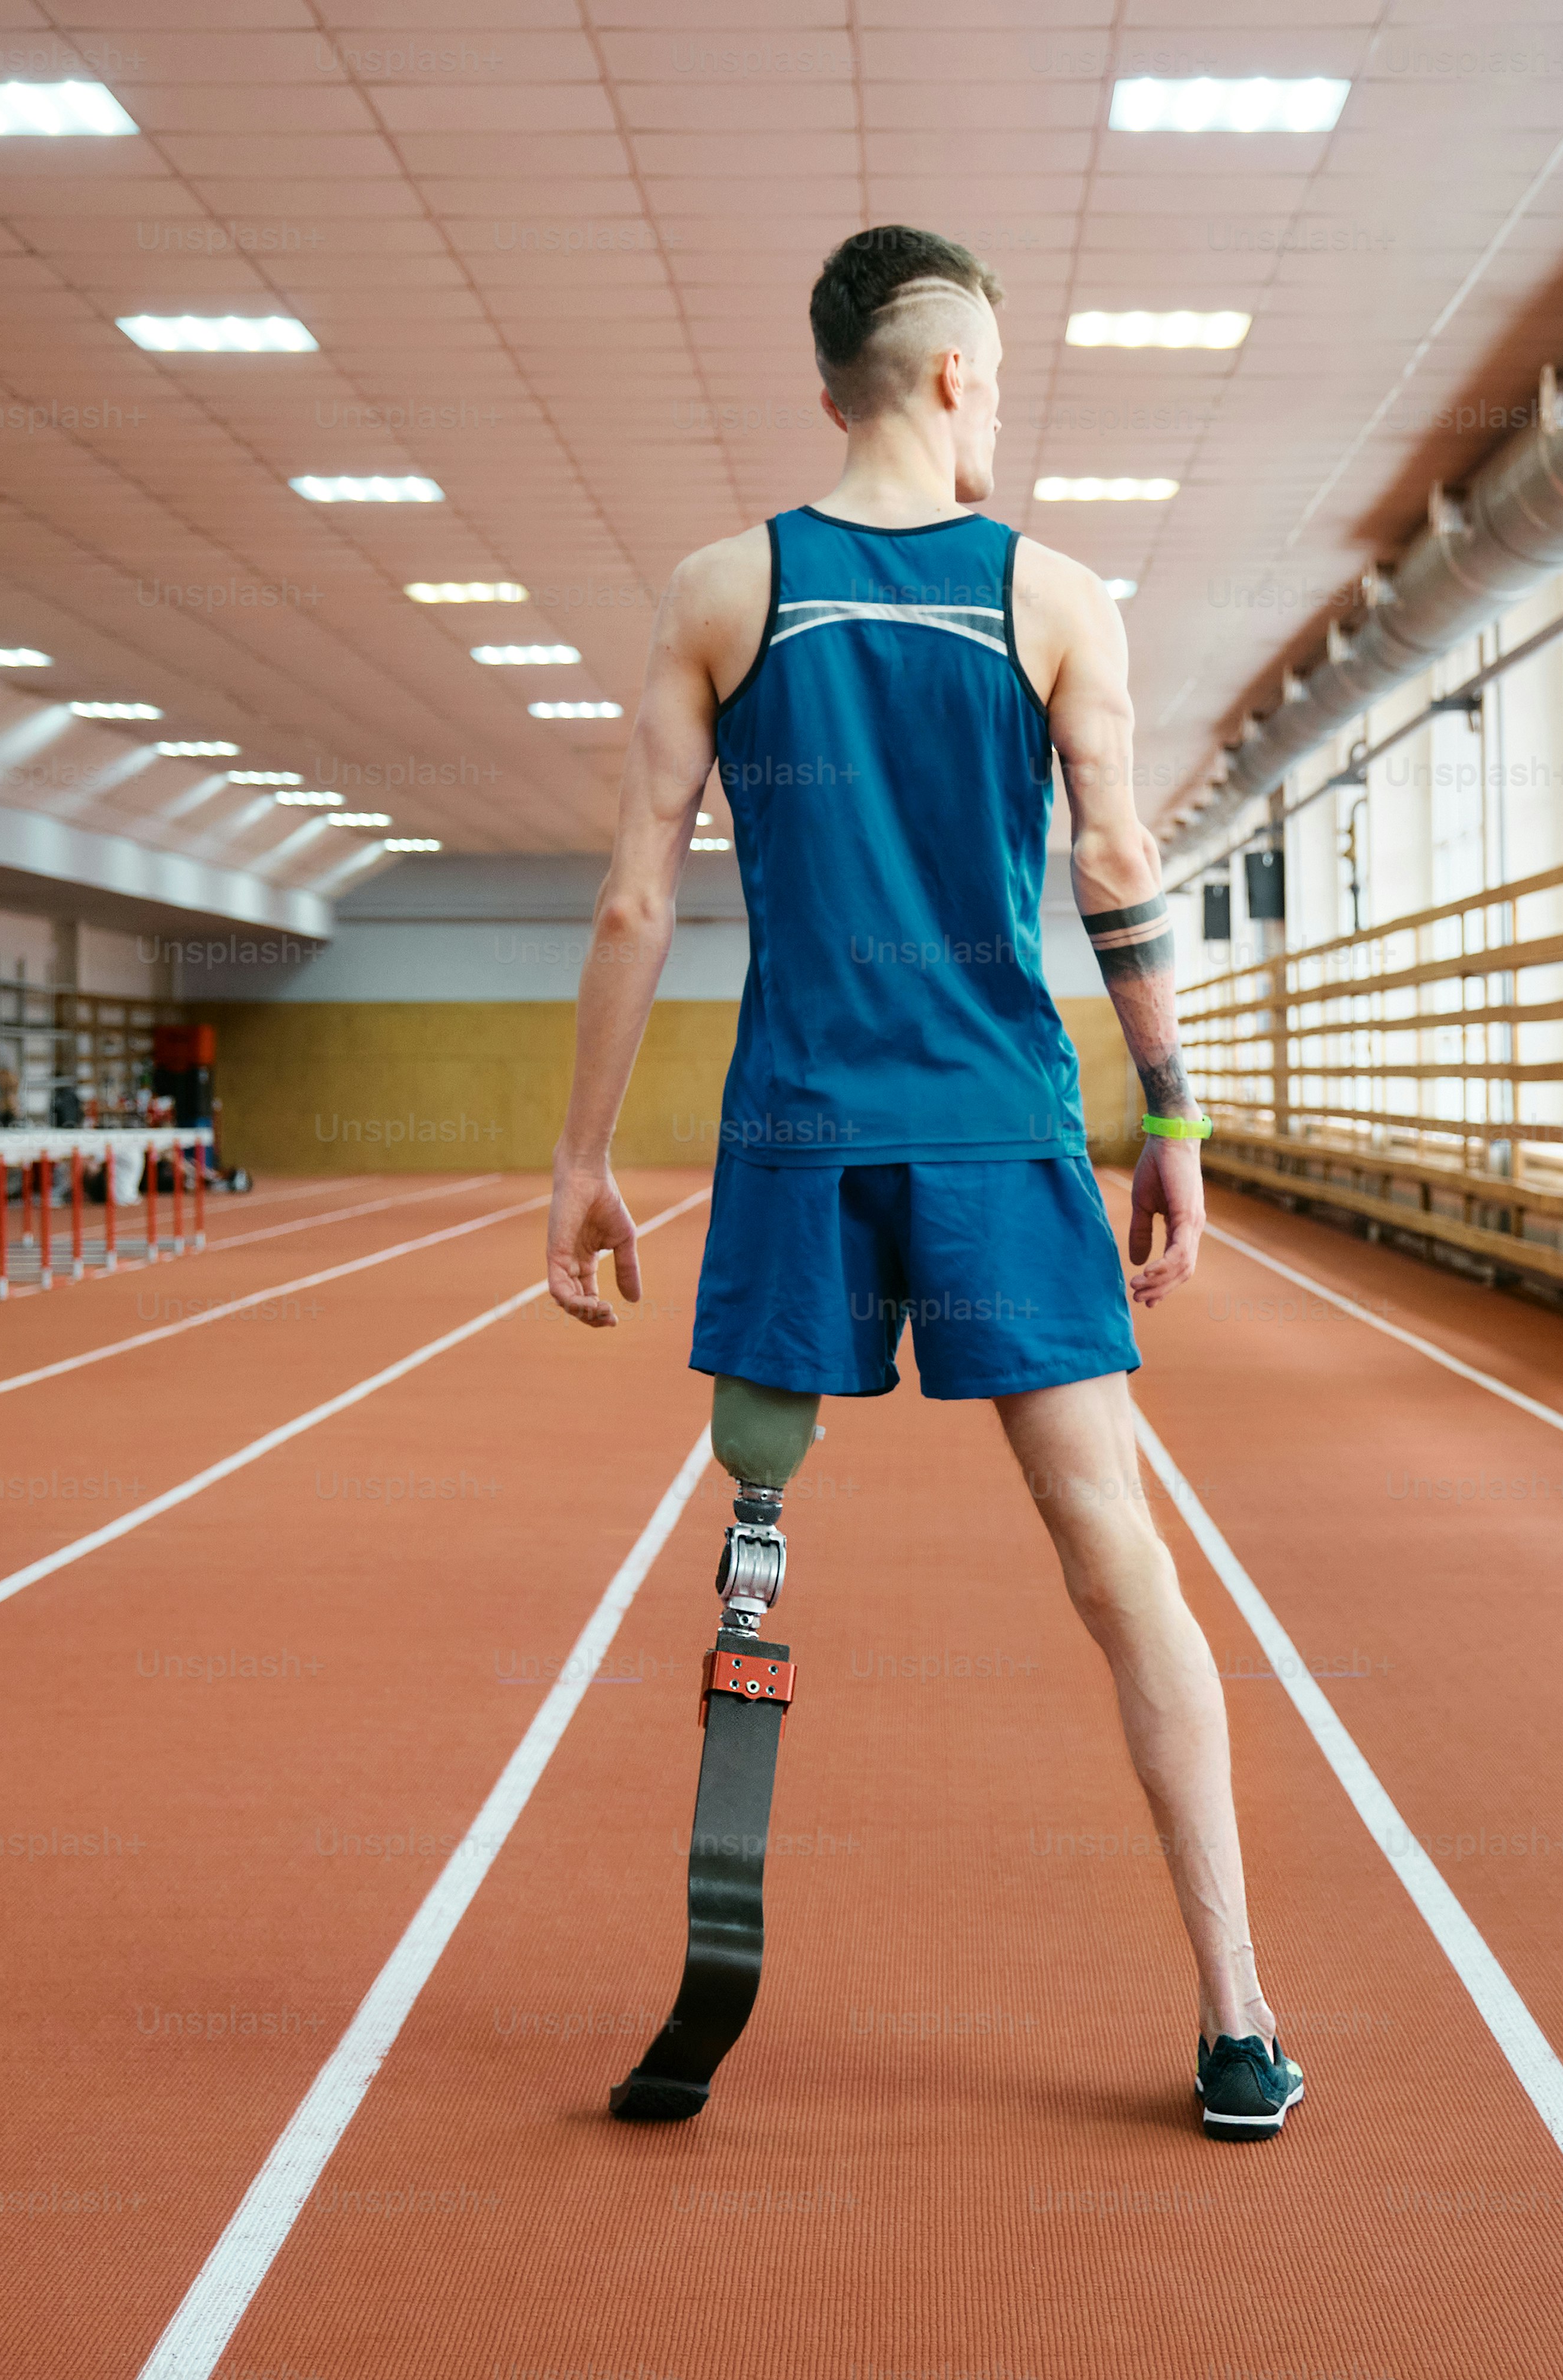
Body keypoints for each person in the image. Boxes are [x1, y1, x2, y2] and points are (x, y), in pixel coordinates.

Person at [545, 225, 1298, 2141]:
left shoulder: (728, 588)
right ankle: (1234, 2018)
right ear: (959, 377)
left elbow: (638, 892)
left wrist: (581, 1161)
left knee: (755, 1500)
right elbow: (1119, 866)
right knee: (1119, 1558)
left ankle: (754, 1614)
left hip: (799, 1128)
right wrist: (1179, 1125)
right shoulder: (1053, 596)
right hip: (996, 1126)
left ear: (833, 391)